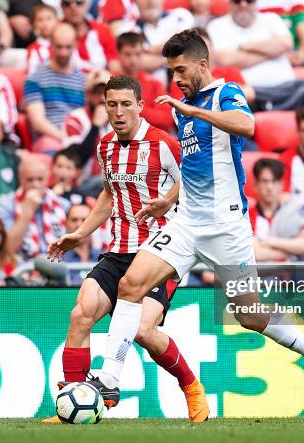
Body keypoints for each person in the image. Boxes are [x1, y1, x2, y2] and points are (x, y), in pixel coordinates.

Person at [57, 30, 304, 409]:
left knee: (250, 315)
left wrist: (195, 111)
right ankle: (109, 378)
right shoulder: (182, 106)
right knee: (130, 284)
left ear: (202, 65)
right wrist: (168, 200)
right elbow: (192, 170)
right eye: (171, 71)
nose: (175, 79)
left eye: (180, 70)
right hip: (186, 223)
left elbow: (247, 126)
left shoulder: (226, 93)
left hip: (225, 227)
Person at [46, 75, 210, 423]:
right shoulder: (105, 146)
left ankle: (192, 387)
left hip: (158, 255)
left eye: (125, 104)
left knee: (142, 330)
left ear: (139, 105)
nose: (118, 112)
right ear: (104, 107)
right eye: (111, 105)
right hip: (118, 249)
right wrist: (80, 233)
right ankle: (70, 407)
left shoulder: (164, 144)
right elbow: (109, 194)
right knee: (80, 315)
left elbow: (197, 182)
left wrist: (167, 199)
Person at [207, 1, 304, 112]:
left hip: (287, 87)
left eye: (249, 0)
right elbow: (226, 60)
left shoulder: (271, 19)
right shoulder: (217, 26)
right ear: (230, 3)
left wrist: (245, 46)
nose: (243, 5)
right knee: (236, 105)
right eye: (237, 1)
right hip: (251, 94)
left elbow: (286, 43)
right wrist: (272, 51)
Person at [24, 22, 86, 153]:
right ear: (51, 44)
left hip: (78, 137)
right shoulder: (35, 78)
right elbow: (37, 121)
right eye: (59, 47)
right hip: (49, 137)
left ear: (75, 45)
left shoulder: (84, 80)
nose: (63, 52)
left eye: (68, 47)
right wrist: (66, 138)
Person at [249, 158, 304, 261]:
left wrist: (269, 241)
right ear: (256, 185)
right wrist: (292, 250)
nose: (270, 187)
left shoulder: (293, 212)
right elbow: (256, 254)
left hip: (293, 275)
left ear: (281, 185)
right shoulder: (247, 216)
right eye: (265, 181)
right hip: (262, 275)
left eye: (274, 181)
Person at [8, 157, 69, 264]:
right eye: (30, 179)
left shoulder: (64, 205)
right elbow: (8, 248)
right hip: (23, 268)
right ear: (21, 179)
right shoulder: (6, 205)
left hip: (58, 266)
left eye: (40, 179)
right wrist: (27, 210)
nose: (35, 184)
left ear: (47, 179)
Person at [116, 32, 173, 132]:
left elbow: (167, 120)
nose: (133, 60)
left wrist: (133, 108)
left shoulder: (154, 84)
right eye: (128, 54)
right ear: (118, 54)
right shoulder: (107, 82)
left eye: (137, 54)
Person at [258, 0, 304, 67]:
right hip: (265, 54)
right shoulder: (252, 3)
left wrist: (299, 54)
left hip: (294, 52)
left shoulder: (294, 2)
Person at [61, 0, 120, 72]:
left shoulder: (102, 30)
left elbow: (114, 64)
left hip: (101, 80)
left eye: (79, 2)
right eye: (67, 3)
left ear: (86, 4)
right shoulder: (55, 32)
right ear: (61, 6)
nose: (73, 8)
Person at [60, 203, 102, 284]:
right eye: (74, 220)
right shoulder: (58, 258)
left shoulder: (103, 258)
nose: (79, 224)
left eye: (84, 220)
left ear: (94, 224)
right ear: (65, 223)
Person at [26, 4, 59, 75]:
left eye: (49, 18)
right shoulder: (33, 49)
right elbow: (31, 75)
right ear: (34, 24)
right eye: (40, 20)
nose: (45, 23)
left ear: (57, 21)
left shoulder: (65, 43)